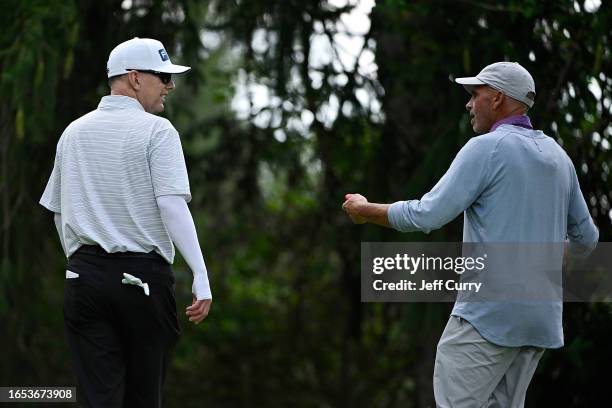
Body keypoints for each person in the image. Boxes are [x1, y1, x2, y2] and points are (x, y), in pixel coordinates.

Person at [342, 62, 599, 407]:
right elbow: (587, 240)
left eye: (475, 94)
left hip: (488, 316)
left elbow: (428, 214)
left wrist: (366, 210)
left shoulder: (487, 148)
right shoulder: (559, 157)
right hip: (539, 321)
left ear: (496, 98)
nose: (468, 104)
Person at [40, 37, 212, 407]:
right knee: (143, 398)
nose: (170, 85)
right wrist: (199, 272)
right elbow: (171, 205)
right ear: (134, 78)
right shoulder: (158, 131)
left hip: (84, 278)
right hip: (142, 281)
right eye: (163, 76)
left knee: (96, 399)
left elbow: (58, 212)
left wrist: (83, 263)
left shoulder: (74, 132)